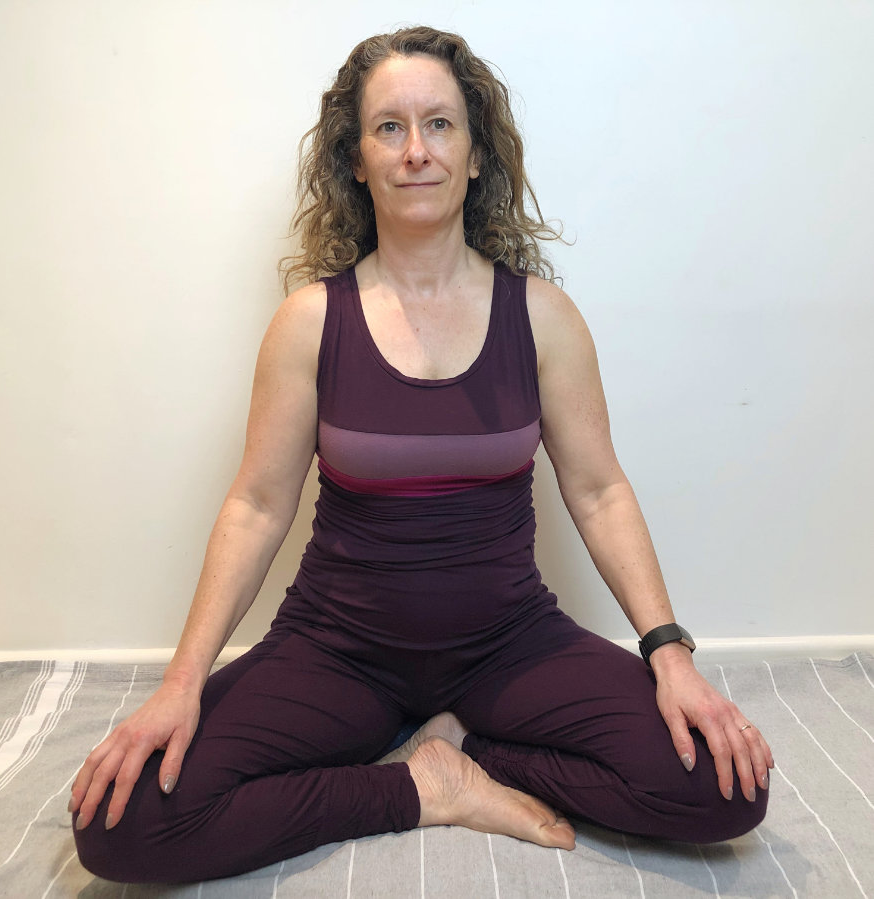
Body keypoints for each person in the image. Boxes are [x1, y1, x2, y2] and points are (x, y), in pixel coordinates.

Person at [70, 26, 773, 884]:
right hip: (337, 649)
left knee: (724, 791)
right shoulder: (309, 324)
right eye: (388, 129)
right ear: (357, 161)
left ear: (477, 154)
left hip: (511, 645)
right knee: (125, 824)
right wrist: (184, 681)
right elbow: (257, 504)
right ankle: (424, 786)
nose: (416, 151)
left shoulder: (543, 318)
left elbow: (599, 491)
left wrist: (670, 655)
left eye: (439, 125)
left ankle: (468, 744)